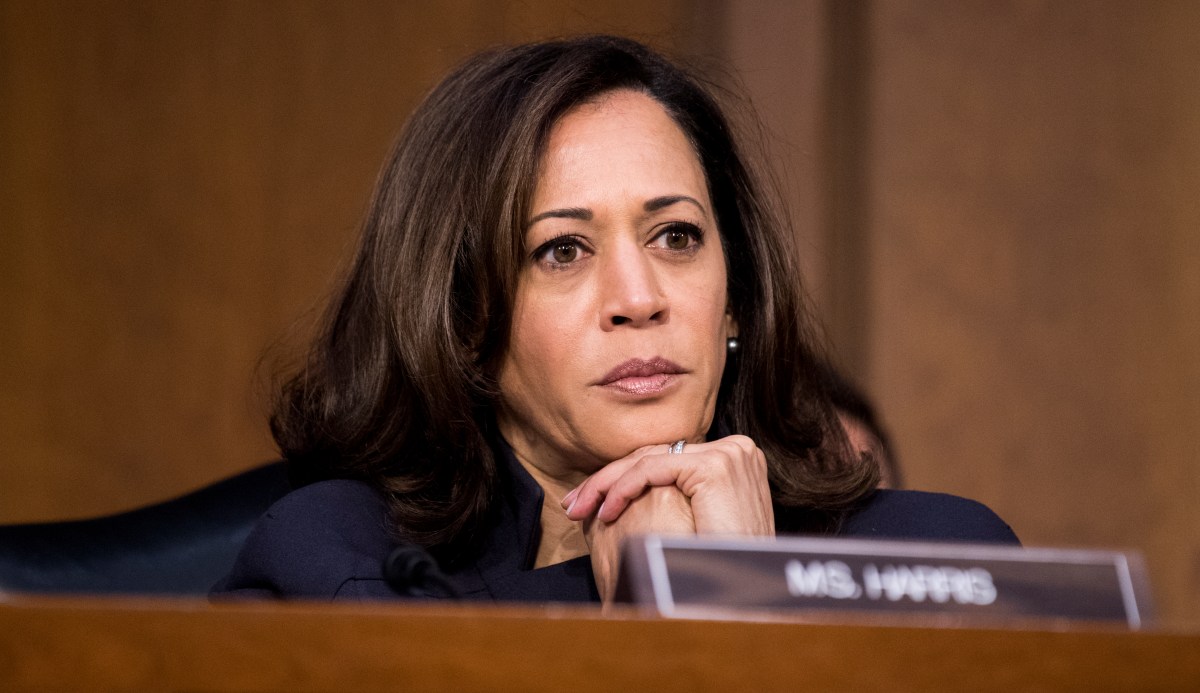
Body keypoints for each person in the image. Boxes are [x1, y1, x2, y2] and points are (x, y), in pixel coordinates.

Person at [213, 36, 1016, 604]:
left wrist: (738, 602)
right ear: (461, 319)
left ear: (734, 296)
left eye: (677, 237)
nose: (639, 297)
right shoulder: (339, 567)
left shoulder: (937, 562)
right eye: (562, 250)